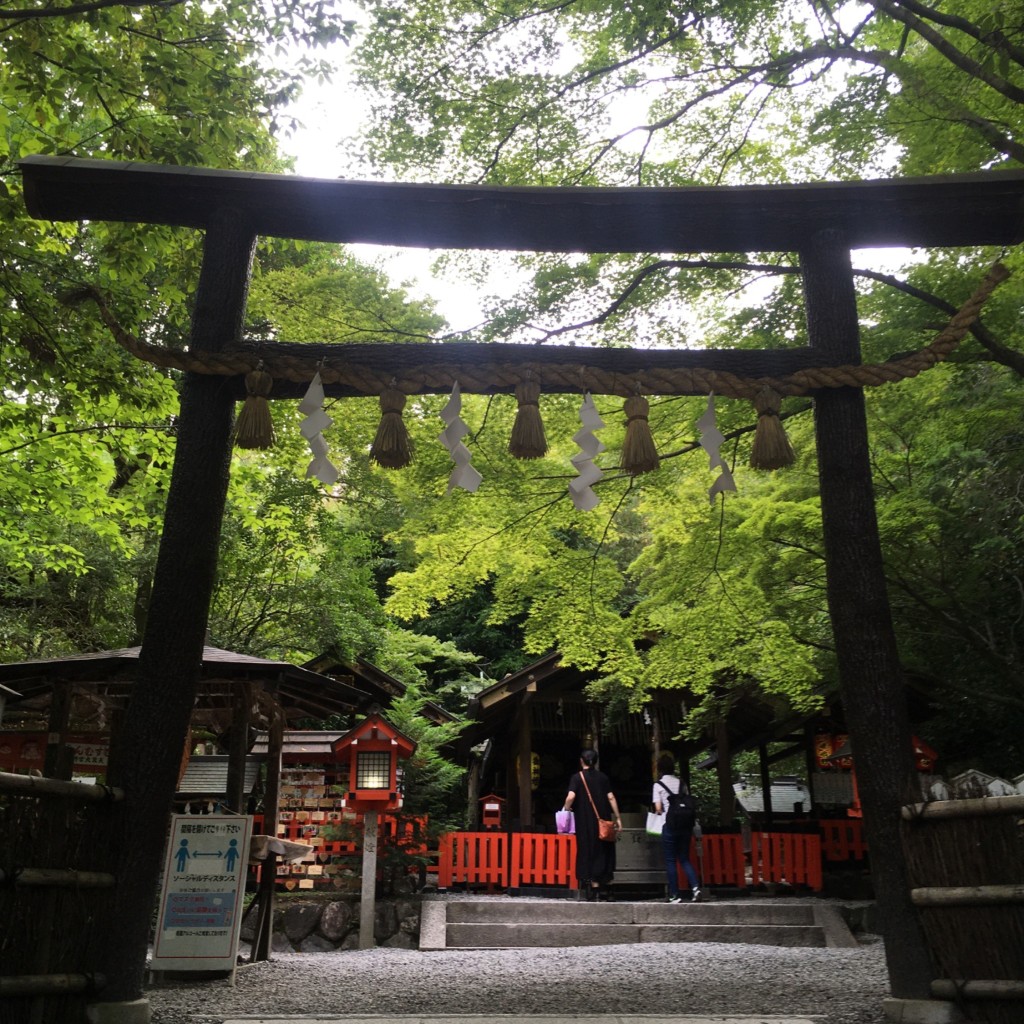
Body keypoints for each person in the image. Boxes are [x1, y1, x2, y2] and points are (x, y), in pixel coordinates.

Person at [563, 748, 622, 901]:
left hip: (585, 822)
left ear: (581, 761)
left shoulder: (577, 778)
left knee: (588, 851)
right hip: (603, 821)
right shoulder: (603, 778)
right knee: (605, 851)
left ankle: (594, 889)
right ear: (595, 761)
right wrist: (618, 817)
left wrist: (566, 809)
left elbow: (571, 796)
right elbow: (611, 798)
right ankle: (608, 889)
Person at [652, 752, 701, 903]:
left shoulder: (658, 785)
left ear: (660, 769)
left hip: (670, 824)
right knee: (685, 859)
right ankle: (695, 888)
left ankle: (674, 894)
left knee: (671, 860)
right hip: (685, 826)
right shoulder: (682, 783)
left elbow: (658, 808)